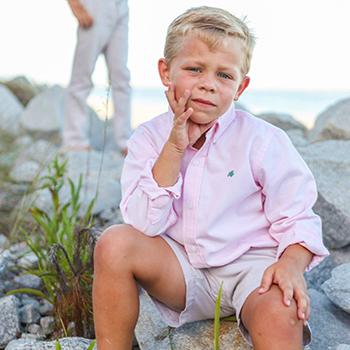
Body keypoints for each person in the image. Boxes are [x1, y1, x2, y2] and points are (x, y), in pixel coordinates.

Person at [92, 6, 329, 350]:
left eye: (224, 75)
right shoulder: (147, 138)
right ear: (165, 71)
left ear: (241, 86)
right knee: (114, 242)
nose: (208, 84)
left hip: (252, 271)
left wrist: (291, 266)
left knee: (283, 309)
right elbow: (143, 224)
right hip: (182, 271)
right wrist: (174, 148)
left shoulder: (264, 140)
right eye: (194, 69)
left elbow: (297, 215)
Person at [63, 0, 131, 155]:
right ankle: (75, 140)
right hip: (95, 6)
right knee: (82, 76)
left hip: (121, 6)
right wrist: (75, 5)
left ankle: (125, 141)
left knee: (122, 77)